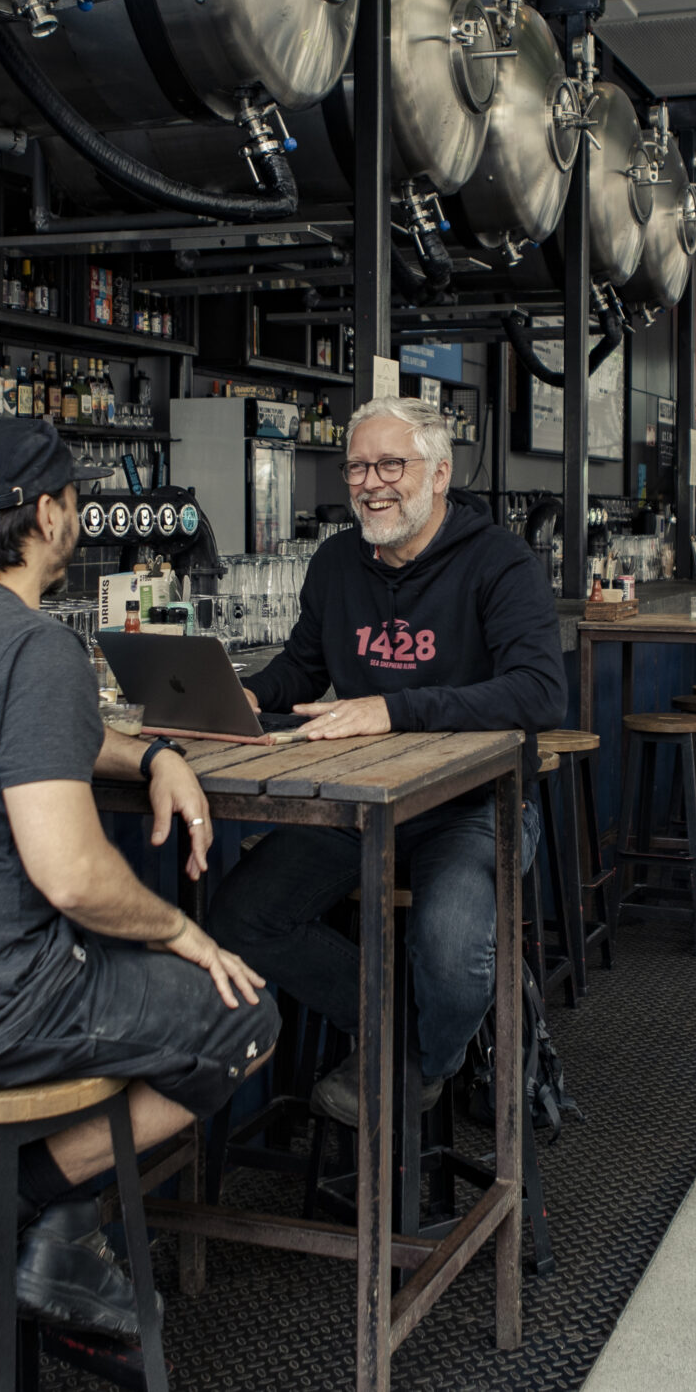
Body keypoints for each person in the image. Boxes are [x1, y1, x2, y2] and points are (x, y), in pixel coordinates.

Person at [0, 415, 276, 1339]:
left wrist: (151, 753)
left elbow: (28, 734)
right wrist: (184, 931)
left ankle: (67, 1226)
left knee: (122, 988)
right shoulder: (38, 649)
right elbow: (70, 875)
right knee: (243, 1017)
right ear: (48, 513)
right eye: (75, 498)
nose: (79, 512)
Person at [207, 395, 566, 1124]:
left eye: (391, 464)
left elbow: (540, 693)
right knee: (241, 915)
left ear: (438, 473)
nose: (372, 482)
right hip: (359, 804)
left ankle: (426, 1060)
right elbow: (300, 671)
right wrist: (240, 695)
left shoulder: (499, 561)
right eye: (358, 467)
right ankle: (411, 1040)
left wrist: (395, 707)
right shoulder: (339, 561)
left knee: (453, 948)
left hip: (474, 804)